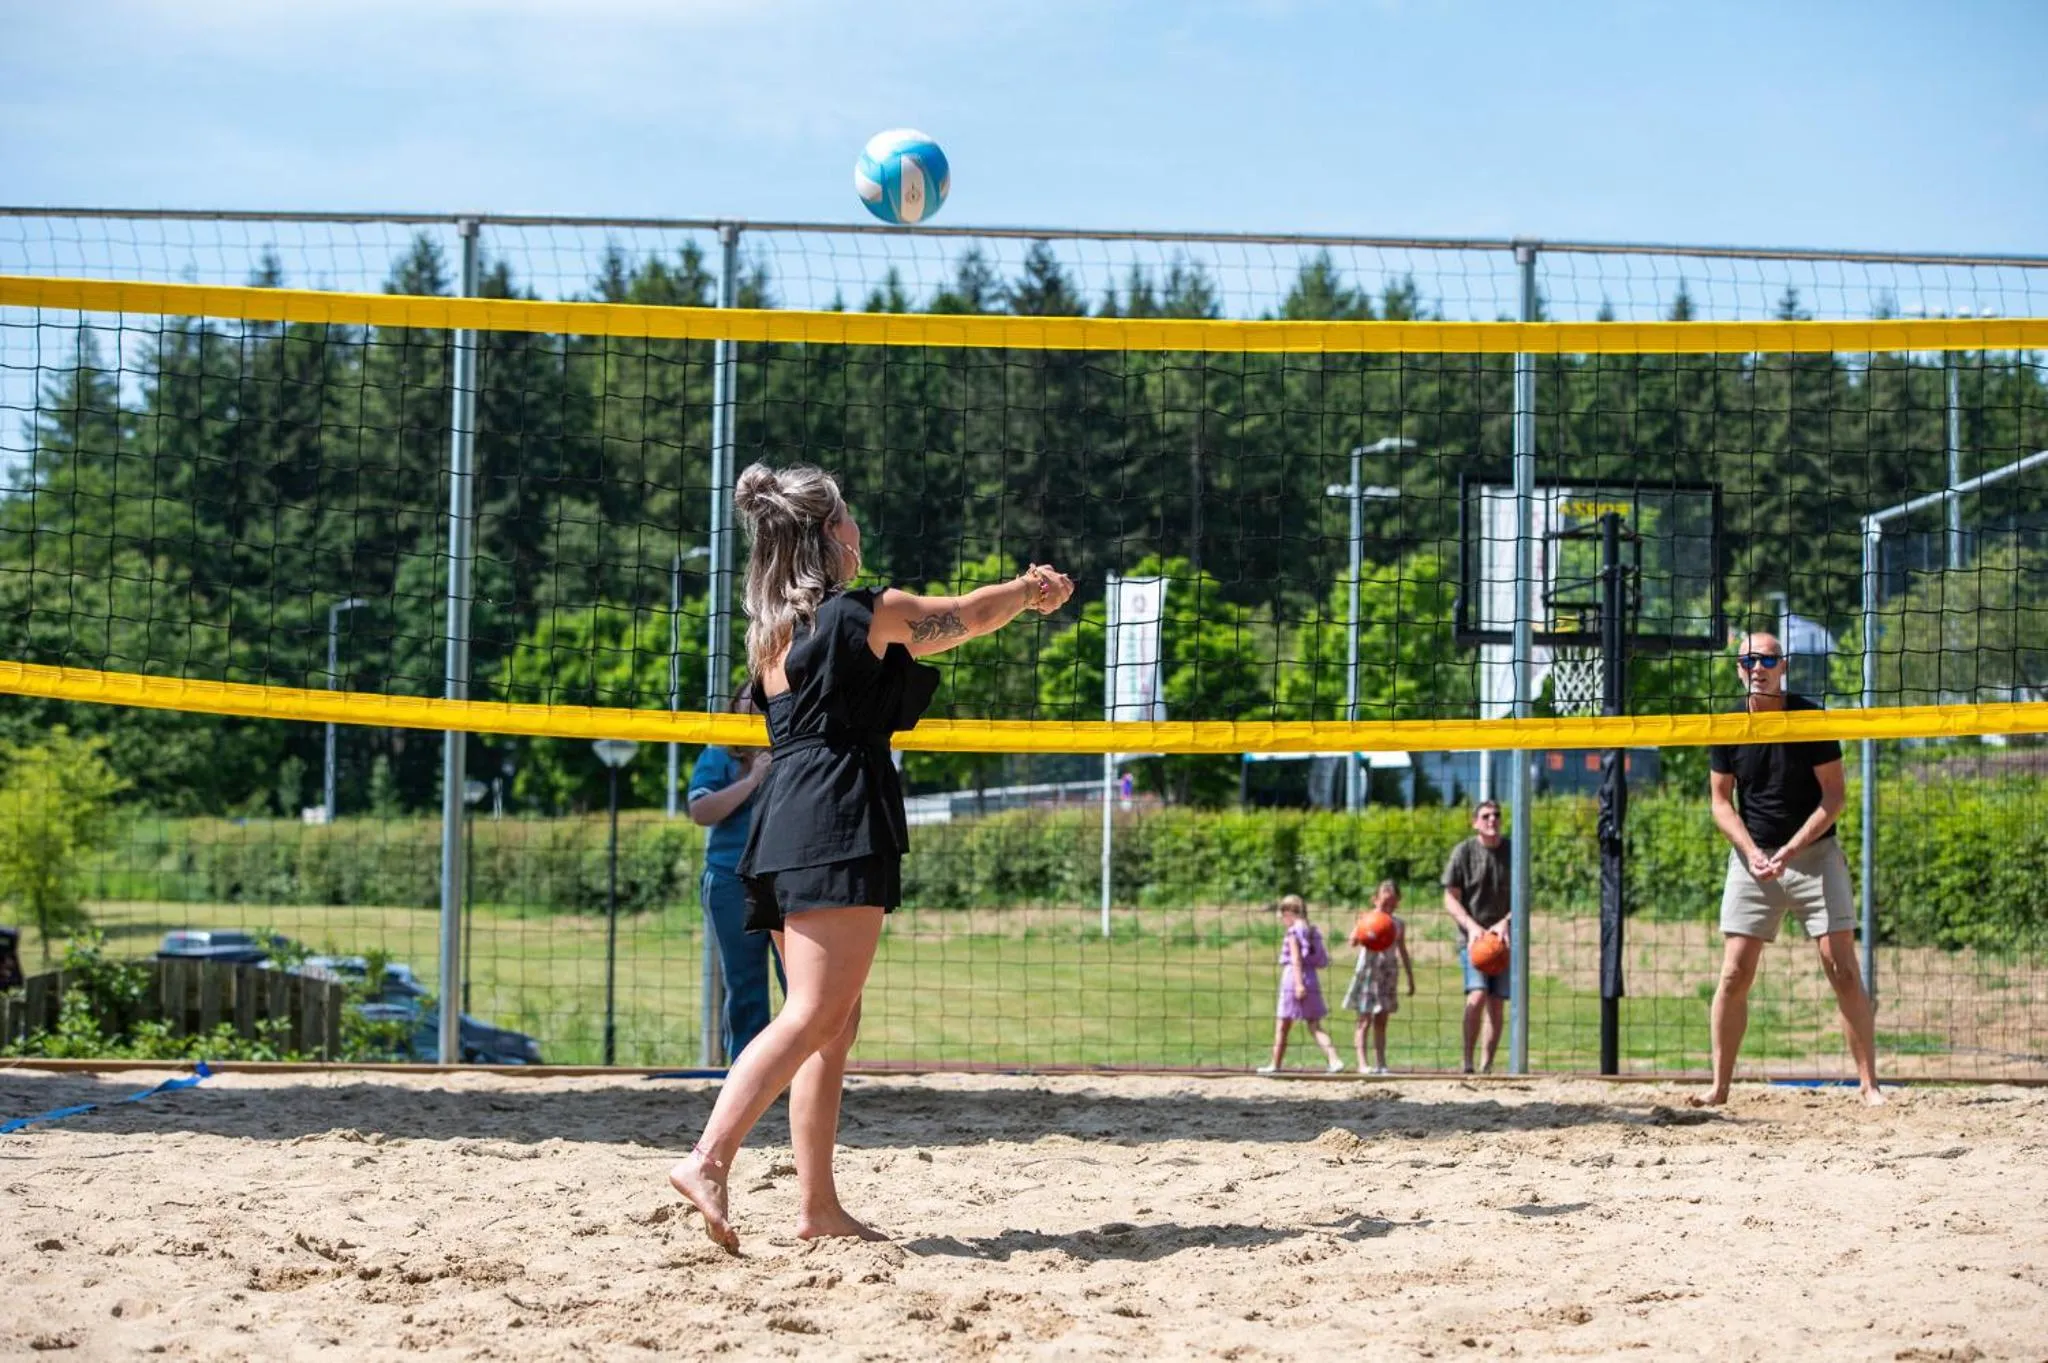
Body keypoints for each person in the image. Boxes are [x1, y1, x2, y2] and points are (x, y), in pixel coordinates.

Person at [667, 462, 1073, 1252]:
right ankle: (709, 1157)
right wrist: (1030, 591)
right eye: (848, 520)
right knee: (815, 1011)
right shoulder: (861, 613)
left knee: (832, 1022)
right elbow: (964, 615)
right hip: (833, 816)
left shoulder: (777, 638)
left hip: (784, 820)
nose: (859, 532)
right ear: (827, 534)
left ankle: (816, 1205)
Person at [1695, 632, 1883, 1107]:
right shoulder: (1729, 725)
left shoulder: (1810, 718)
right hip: (1753, 859)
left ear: (1783, 665)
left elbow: (1834, 797)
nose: (1759, 666)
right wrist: (1753, 851)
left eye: (1768, 659)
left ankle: (1869, 1085)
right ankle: (1718, 1088)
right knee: (1735, 974)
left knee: (1841, 968)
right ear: (1739, 669)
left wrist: (1793, 848)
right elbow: (1720, 803)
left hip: (1814, 856)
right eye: (1750, 660)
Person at [687, 691, 783, 1061]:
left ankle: (802, 1072)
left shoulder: (792, 751)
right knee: (745, 985)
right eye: (749, 699)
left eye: (764, 699)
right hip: (731, 881)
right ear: (735, 708)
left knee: (800, 985)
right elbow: (700, 811)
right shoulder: (718, 755)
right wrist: (752, 780)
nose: (756, 705)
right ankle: (745, 1067)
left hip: (784, 880)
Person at [1442, 798, 1512, 1074]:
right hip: (1473, 940)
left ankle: (1487, 1066)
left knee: (1496, 1003)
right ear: (1475, 823)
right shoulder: (1464, 852)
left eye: (1496, 815)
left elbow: (1524, 898)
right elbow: (1450, 898)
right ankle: (1468, 1062)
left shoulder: (1513, 851)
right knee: (1477, 996)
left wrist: (1506, 923)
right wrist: (1471, 927)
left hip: (1503, 939)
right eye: (1485, 816)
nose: (1492, 820)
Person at [1257, 894, 1346, 1075]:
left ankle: (1275, 1065)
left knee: (1282, 1024)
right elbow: (1322, 958)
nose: (1282, 919)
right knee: (1314, 1025)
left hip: (1294, 978)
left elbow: (1296, 958)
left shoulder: (1293, 932)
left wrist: (1298, 984)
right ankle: (1334, 1060)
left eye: (1283, 915)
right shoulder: (1313, 931)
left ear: (1290, 912)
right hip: (1311, 978)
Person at [1341, 880, 1415, 1074]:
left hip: (1387, 974)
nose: (1388, 907)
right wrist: (1363, 930)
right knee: (1364, 1018)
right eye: (1384, 903)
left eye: (1392, 903)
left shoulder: (1398, 924)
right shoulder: (1367, 919)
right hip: (1368, 972)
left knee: (1382, 1019)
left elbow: (1403, 950)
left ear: (1398, 902)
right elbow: (1352, 941)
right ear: (1375, 900)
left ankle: (1381, 1063)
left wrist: (1410, 977)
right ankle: (1362, 1063)